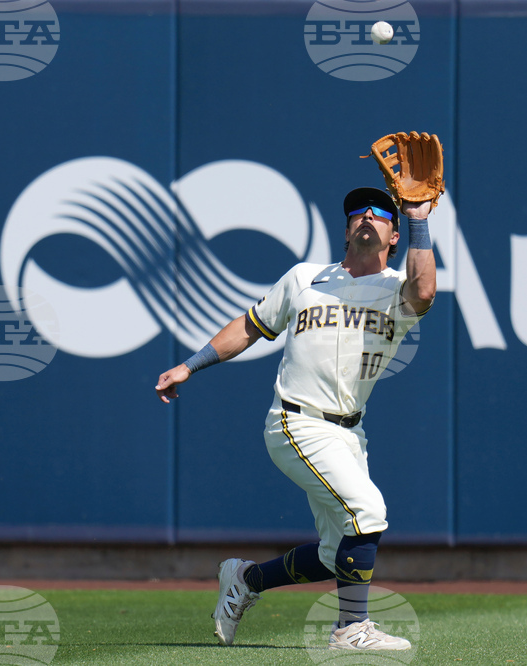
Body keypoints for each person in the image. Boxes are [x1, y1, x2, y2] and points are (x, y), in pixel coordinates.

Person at [155, 186, 435, 650]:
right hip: (295, 420)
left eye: (381, 213)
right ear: (346, 230)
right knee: (368, 512)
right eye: (357, 212)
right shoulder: (305, 277)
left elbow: (424, 289)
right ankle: (350, 629)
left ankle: (246, 578)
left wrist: (419, 217)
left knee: (336, 553)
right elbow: (249, 326)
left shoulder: (396, 291)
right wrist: (190, 364)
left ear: (393, 238)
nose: (367, 216)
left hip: (349, 431)